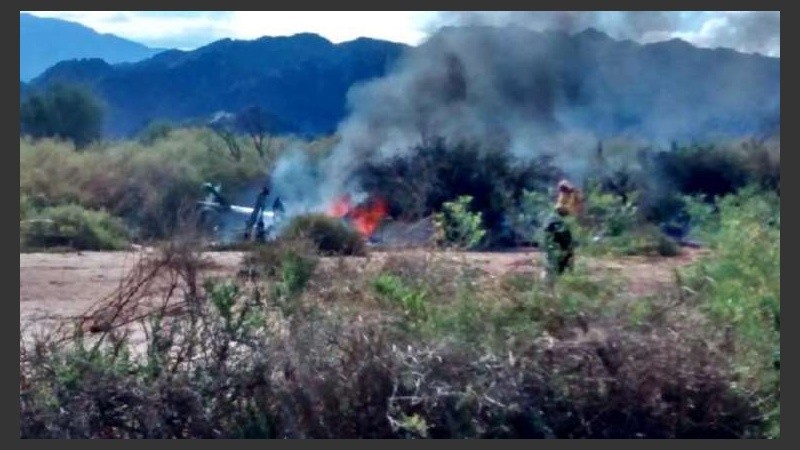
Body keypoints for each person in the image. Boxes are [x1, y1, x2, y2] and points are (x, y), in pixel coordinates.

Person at [542, 205, 575, 279]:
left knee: (549, 268)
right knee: (560, 268)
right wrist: (568, 248)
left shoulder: (549, 219)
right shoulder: (558, 221)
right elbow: (563, 235)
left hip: (549, 249)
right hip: (558, 249)